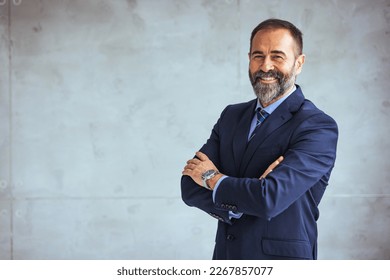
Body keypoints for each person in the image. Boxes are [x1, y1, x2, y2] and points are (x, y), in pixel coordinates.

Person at [181, 18, 338, 260]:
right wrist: (241, 202)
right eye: (258, 56)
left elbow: (269, 199)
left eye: (277, 56)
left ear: (299, 63)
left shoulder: (317, 126)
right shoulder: (231, 116)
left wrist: (212, 178)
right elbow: (189, 186)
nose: (265, 66)